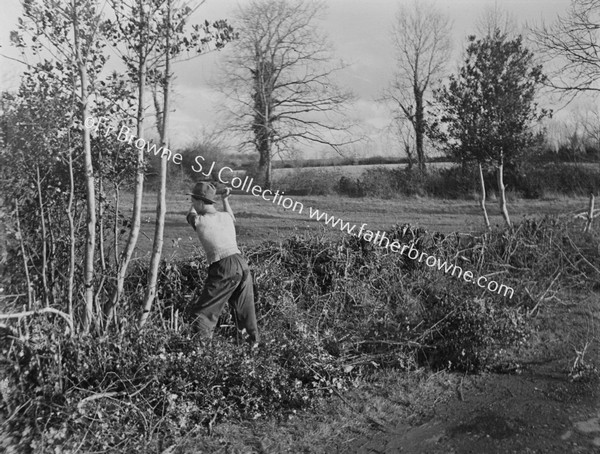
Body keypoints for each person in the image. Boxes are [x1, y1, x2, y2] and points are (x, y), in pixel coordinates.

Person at [185, 181, 259, 346]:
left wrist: (193, 203)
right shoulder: (225, 217)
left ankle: (200, 354)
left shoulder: (199, 220)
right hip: (241, 263)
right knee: (245, 314)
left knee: (202, 314)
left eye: (194, 201)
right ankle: (252, 350)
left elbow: (190, 215)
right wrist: (225, 200)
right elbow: (231, 216)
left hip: (223, 266)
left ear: (200, 202)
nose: (192, 204)